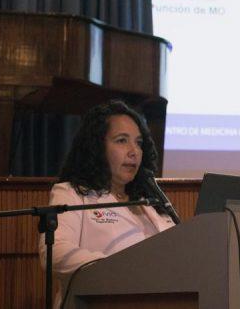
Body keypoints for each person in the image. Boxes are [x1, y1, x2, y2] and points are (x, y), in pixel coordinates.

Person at [39, 100, 176, 308]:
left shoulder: (151, 200)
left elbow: (177, 251)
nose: (134, 151)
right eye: (122, 141)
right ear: (97, 147)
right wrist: (120, 268)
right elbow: (54, 253)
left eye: (139, 143)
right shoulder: (73, 193)